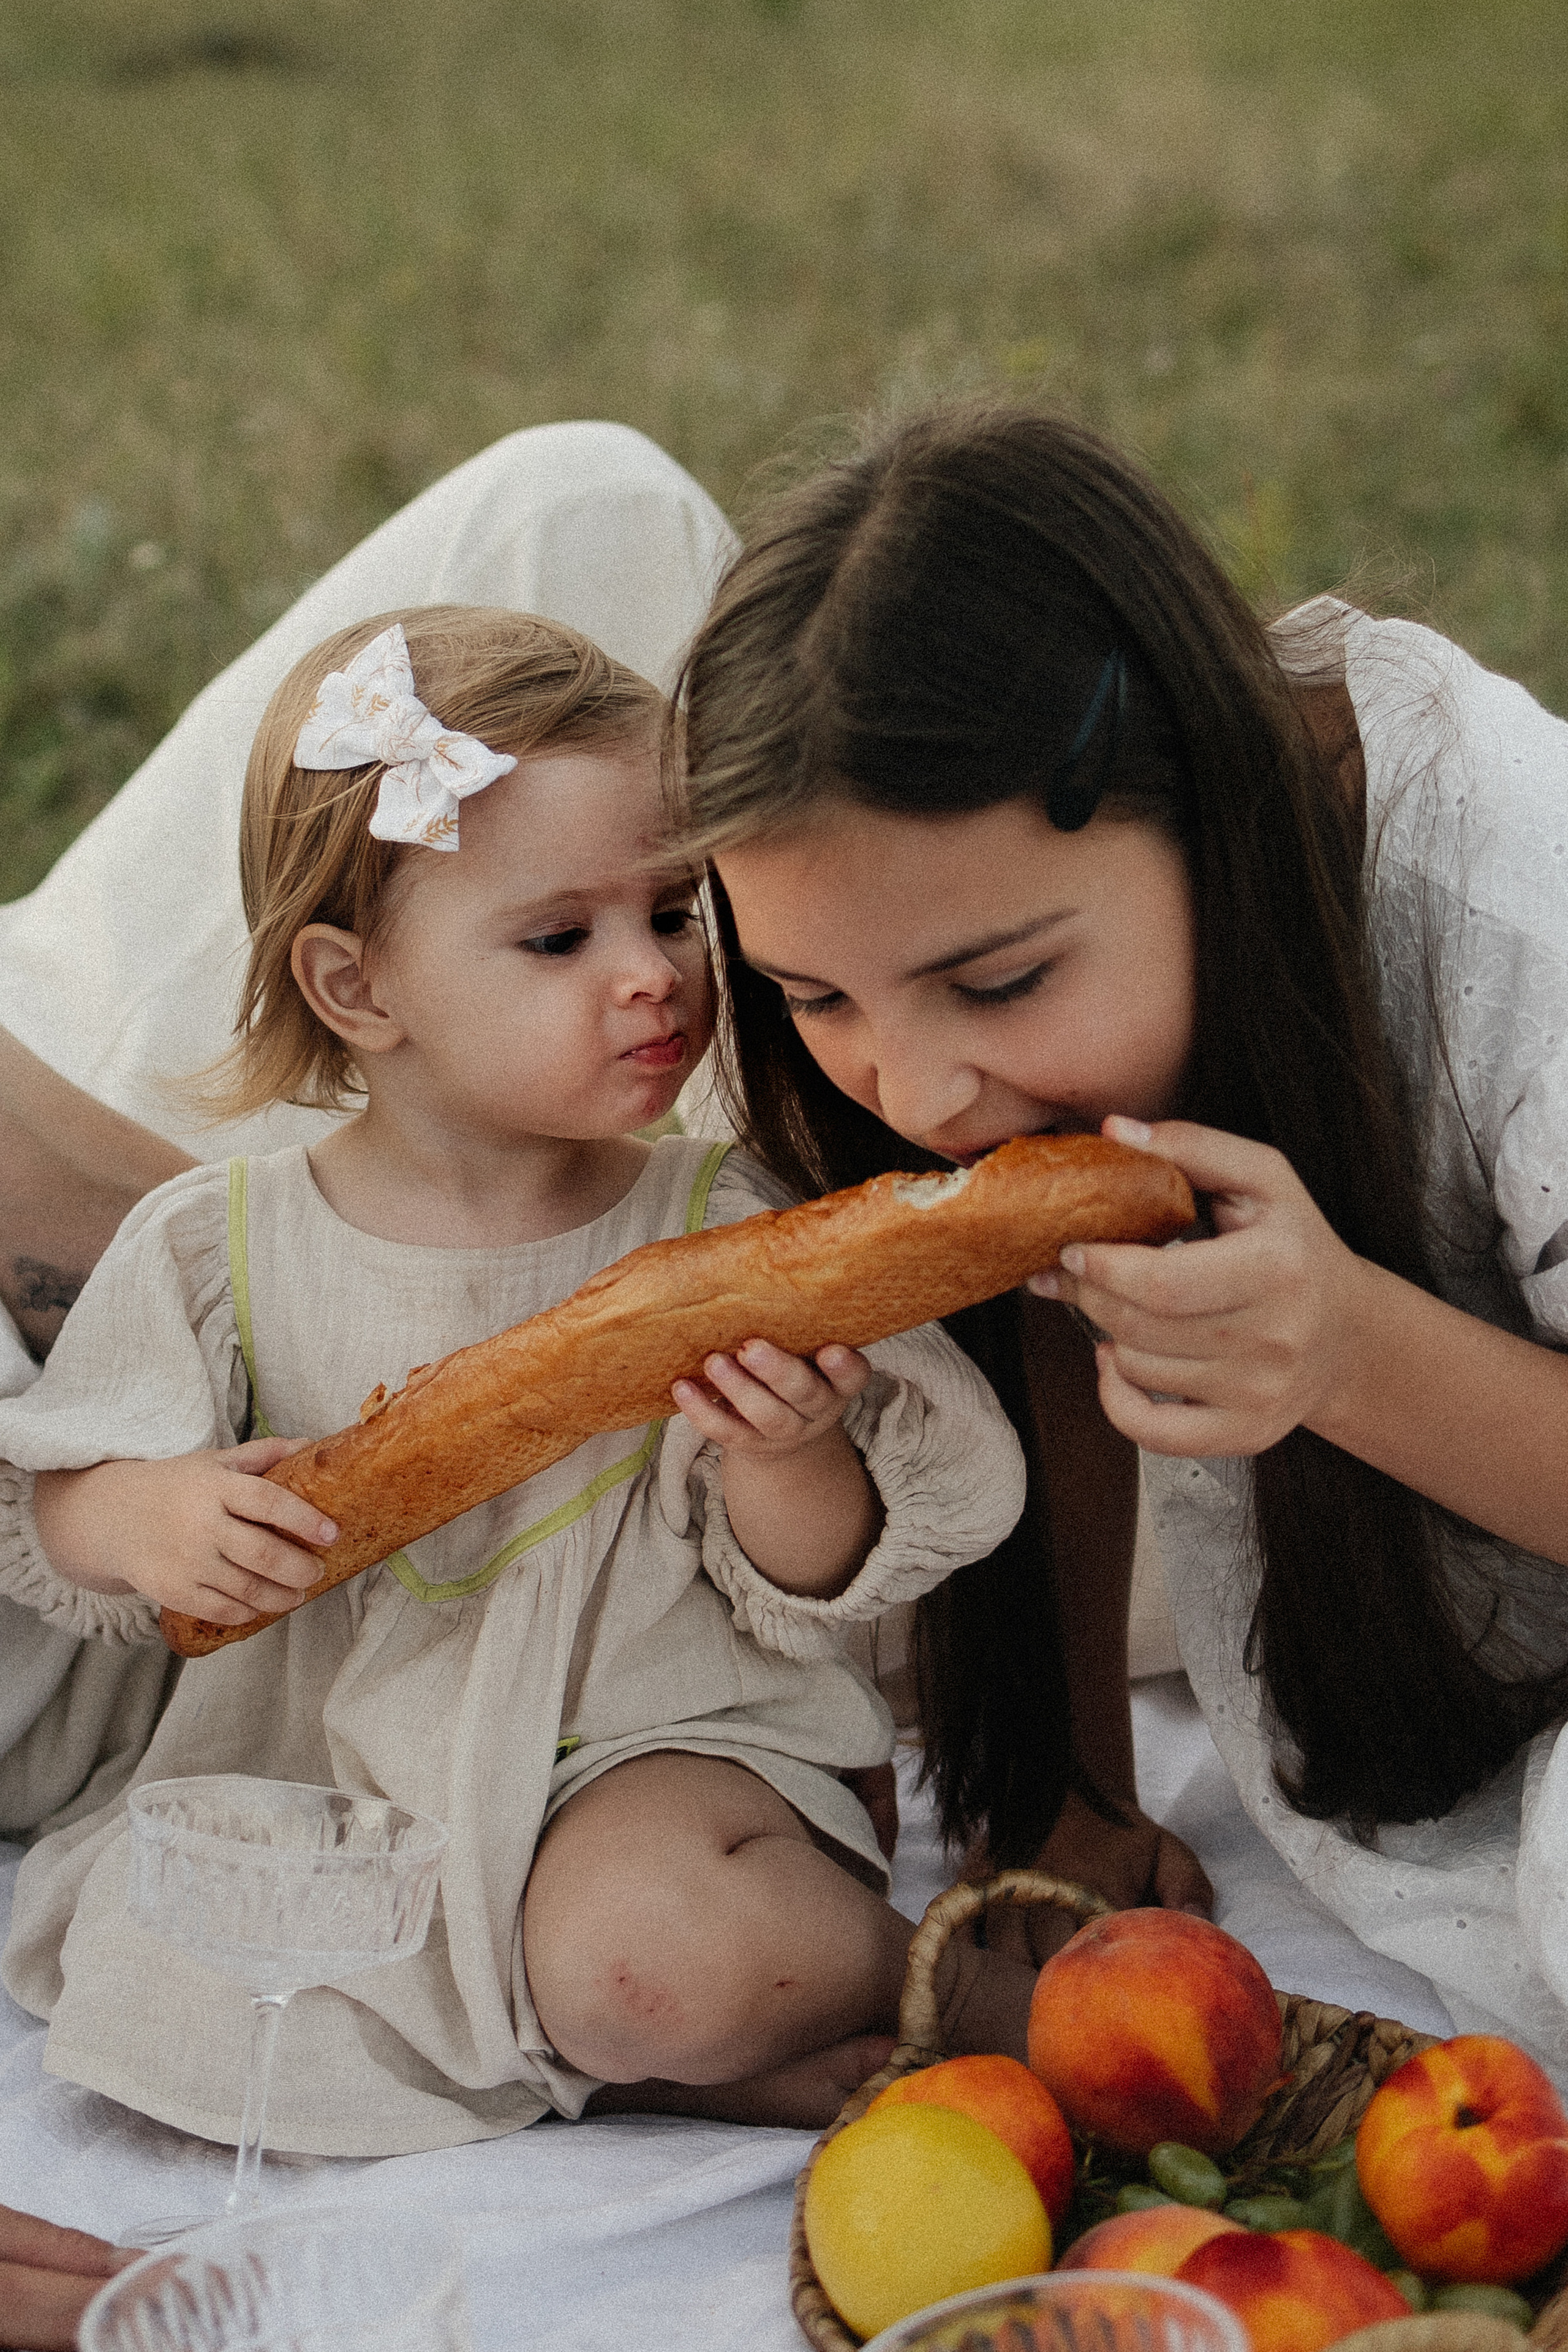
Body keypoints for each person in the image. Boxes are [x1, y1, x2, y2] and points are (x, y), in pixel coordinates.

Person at [0, 602, 1033, 2154]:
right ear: (357, 990)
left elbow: (817, 1589)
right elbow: (57, 1508)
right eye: (561, 940)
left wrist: (788, 1455)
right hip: (349, 1783)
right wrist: (147, 1519)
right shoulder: (219, 1247)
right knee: (172, 1980)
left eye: (672, 913)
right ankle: (627, 2067)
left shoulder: (723, 1229)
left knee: (645, 1957)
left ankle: (960, 1994)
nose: (652, 977)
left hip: (660, 1753)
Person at [674, 394, 1568, 2071]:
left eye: (1000, 981)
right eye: (813, 997)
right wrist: (1069, 1782)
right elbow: (1033, 1314)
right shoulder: (930, 995)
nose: (916, 1092)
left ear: (1211, 810)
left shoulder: (1521, 908)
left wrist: (1350, 1354)